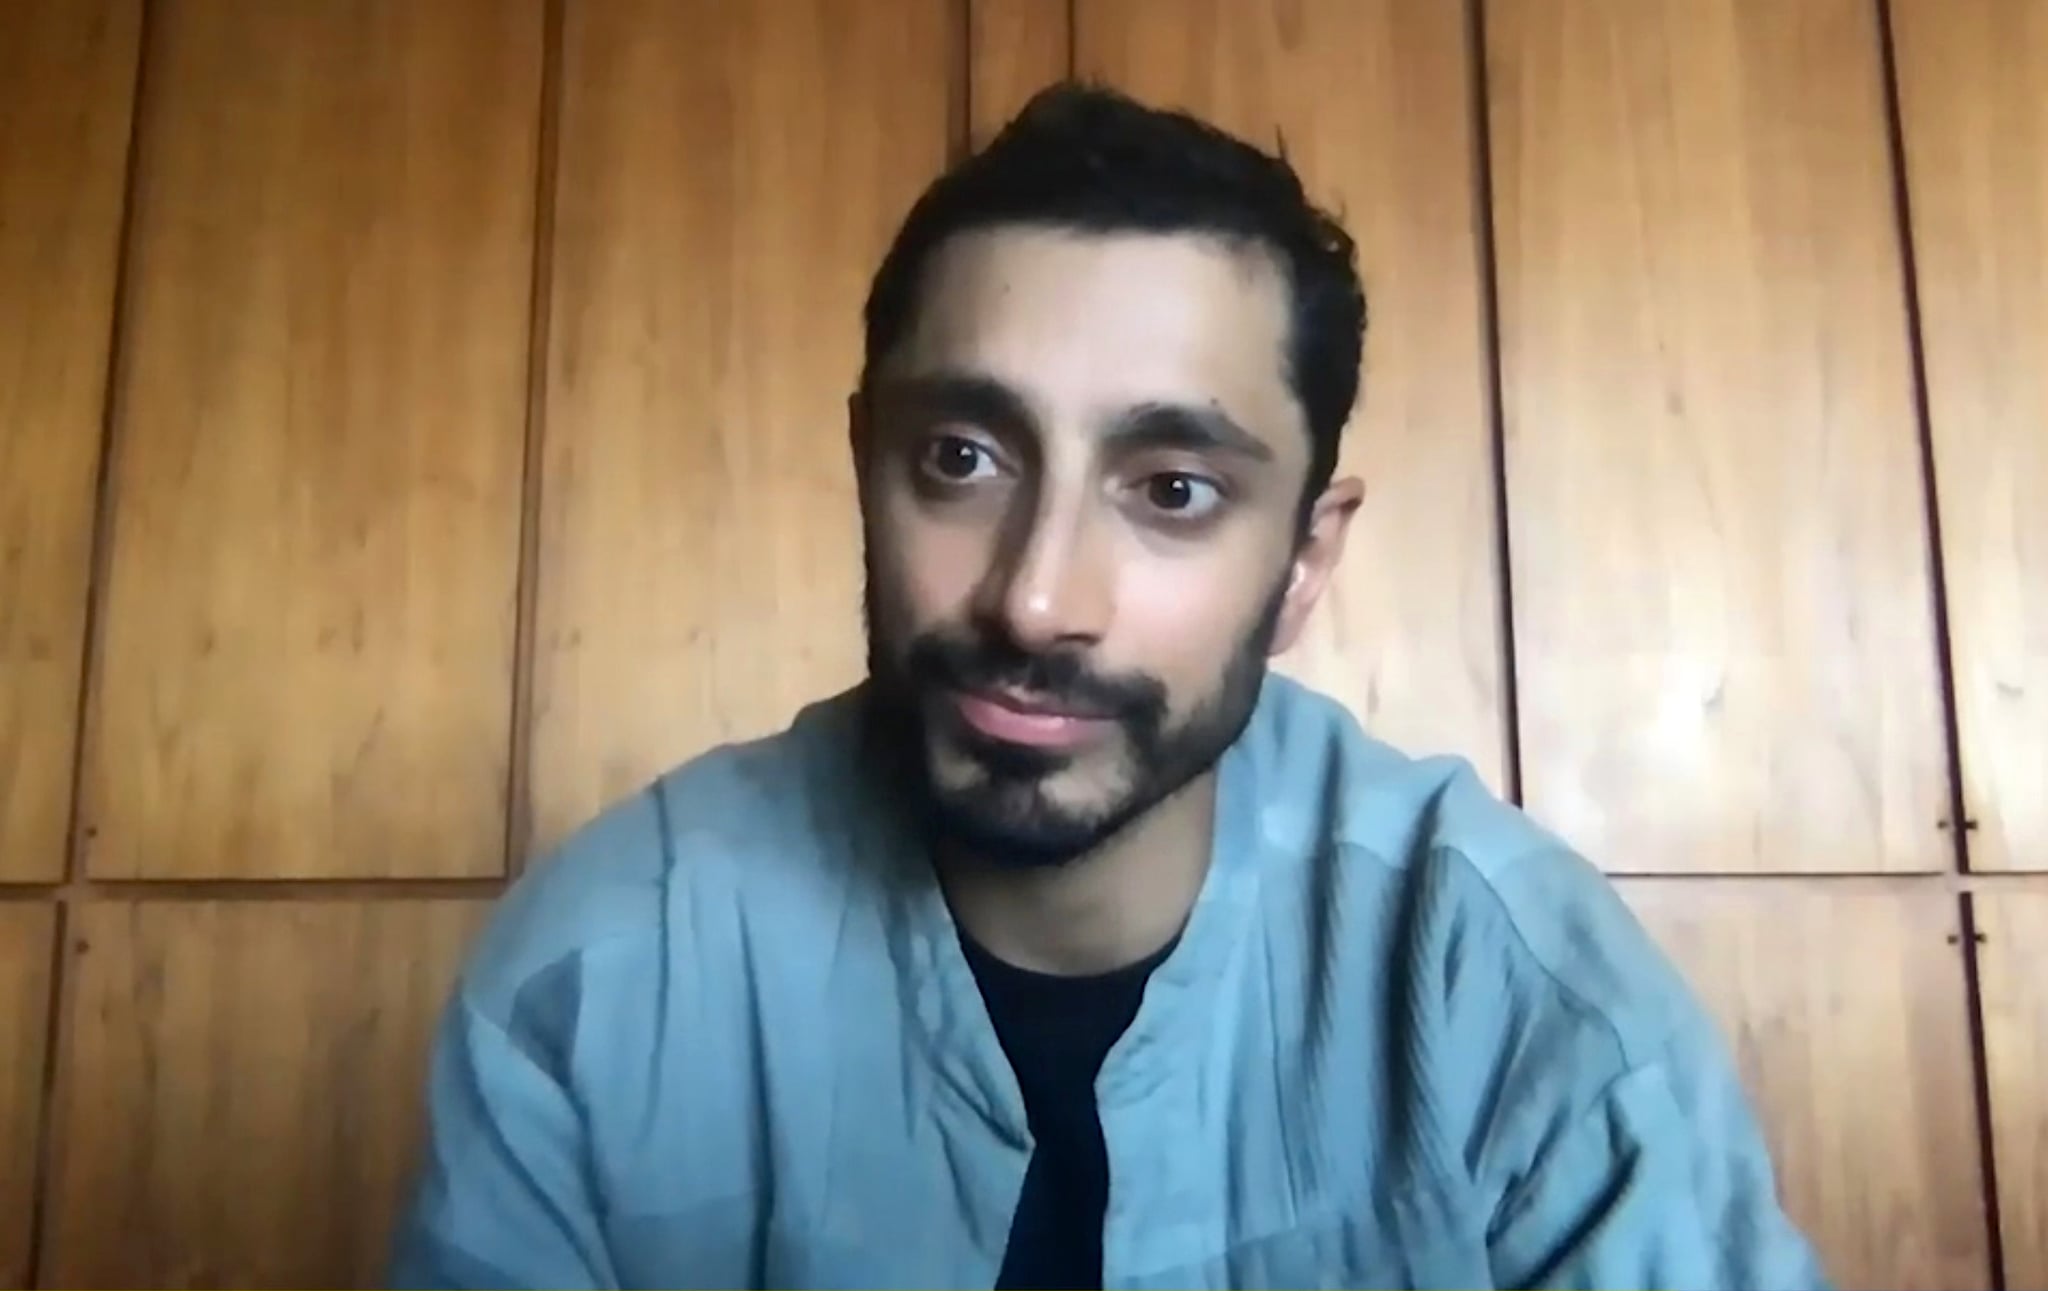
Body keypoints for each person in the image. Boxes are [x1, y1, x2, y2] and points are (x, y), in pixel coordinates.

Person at [390, 84, 1828, 1291]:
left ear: (1306, 561)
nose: (1033, 598)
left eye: (1174, 489)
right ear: (864, 465)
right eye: (962, 458)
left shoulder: (1508, 989)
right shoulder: (598, 982)